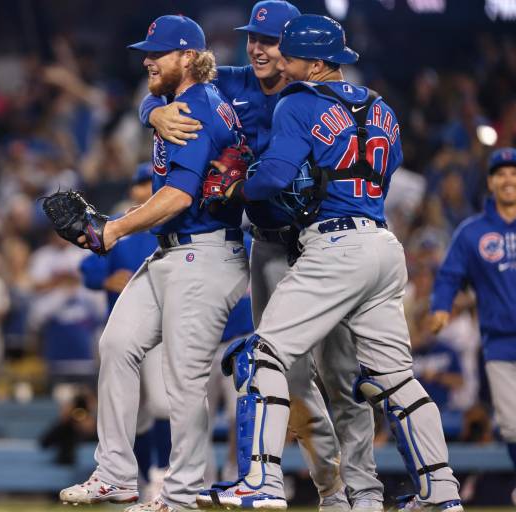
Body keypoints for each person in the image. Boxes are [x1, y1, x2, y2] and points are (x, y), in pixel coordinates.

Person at [197, 14, 462, 511]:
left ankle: (261, 481)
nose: (283, 62)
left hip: (334, 244)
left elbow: (275, 177)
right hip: (383, 244)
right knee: (394, 379)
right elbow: (386, 169)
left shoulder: (299, 101)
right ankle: (442, 492)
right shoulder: (381, 107)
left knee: (261, 355)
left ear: (317, 63)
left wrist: (236, 188)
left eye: (293, 55)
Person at [140, 3, 382, 510]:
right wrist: (153, 112)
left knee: (341, 377)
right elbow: (170, 85)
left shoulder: (322, 93)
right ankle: (331, 489)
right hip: (270, 245)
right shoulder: (231, 81)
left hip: (325, 243)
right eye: (253, 37)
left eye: (269, 40)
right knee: (288, 377)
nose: (257, 48)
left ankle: (364, 490)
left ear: (293, 46)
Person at [58, 15, 249, 512]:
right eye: (147, 52)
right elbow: (153, 104)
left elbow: (179, 196)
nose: (148, 60)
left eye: (158, 52)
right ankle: (116, 474)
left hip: (205, 252)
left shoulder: (197, 108)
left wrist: (114, 228)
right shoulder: (183, 102)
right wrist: (152, 112)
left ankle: (179, 496)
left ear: (188, 57)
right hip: (176, 251)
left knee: (184, 381)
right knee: (117, 343)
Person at [430, 147, 516, 511]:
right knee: (514, 427)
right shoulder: (472, 232)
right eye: (500, 173)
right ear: (490, 182)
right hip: (501, 347)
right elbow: (449, 276)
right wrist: (440, 307)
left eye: (515, 173)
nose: (508, 179)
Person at [80, 163, 169, 500]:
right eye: (140, 184)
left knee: (162, 405)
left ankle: (163, 475)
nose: (143, 189)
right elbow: (88, 269)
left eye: (150, 183)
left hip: (162, 331)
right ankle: (143, 481)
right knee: (138, 417)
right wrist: (105, 279)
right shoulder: (121, 225)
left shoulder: (171, 222)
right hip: (123, 331)